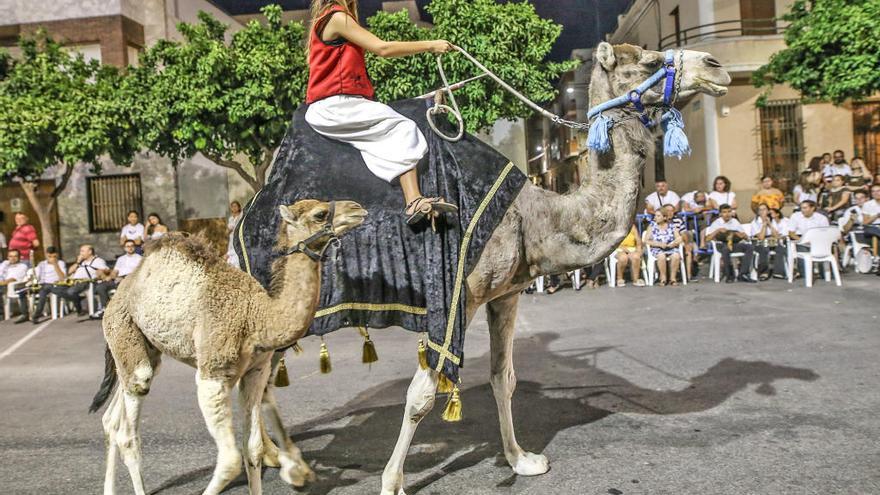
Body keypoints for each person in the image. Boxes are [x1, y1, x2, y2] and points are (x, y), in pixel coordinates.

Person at [304, 0, 457, 225]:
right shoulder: (337, 17)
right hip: (336, 105)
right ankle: (413, 200)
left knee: (388, 129)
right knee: (403, 128)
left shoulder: (332, 18)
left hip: (337, 104)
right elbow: (382, 48)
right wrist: (431, 45)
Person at [91, 240, 142, 319]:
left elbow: (139, 272)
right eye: (128, 246)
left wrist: (126, 278)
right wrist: (110, 277)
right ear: (124, 248)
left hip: (131, 280)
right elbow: (115, 271)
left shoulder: (139, 258)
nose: (130, 248)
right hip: (118, 279)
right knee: (100, 287)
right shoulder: (121, 259)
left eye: (132, 246)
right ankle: (106, 308)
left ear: (134, 247)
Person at [706, 204, 755, 283]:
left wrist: (742, 235)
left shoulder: (735, 222)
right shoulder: (716, 223)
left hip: (734, 243)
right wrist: (717, 231)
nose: (727, 214)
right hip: (721, 244)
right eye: (724, 212)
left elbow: (746, 237)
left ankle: (743, 274)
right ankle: (729, 275)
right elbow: (708, 239)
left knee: (749, 247)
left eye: (729, 212)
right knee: (726, 249)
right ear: (720, 214)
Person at [20, 246, 67, 324]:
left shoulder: (60, 263)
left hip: (54, 284)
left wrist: (55, 265)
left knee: (43, 293)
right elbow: (37, 275)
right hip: (43, 284)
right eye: (49, 256)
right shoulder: (42, 264)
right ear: (47, 255)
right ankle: (32, 315)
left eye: (54, 256)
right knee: (37, 293)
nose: (51, 258)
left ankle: (36, 315)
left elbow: (62, 277)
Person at [60, 244, 110, 316]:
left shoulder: (98, 260)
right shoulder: (81, 262)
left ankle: (79, 309)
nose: (80, 253)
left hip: (86, 282)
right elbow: (69, 272)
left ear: (90, 252)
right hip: (73, 282)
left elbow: (106, 270)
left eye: (82, 251)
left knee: (71, 292)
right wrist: (77, 262)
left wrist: (102, 272)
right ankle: (80, 301)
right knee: (58, 290)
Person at [788, 200, 830, 278]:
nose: (802, 210)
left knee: (825, 250)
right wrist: (804, 241)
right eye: (801, 208)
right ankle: (806, 273)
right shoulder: (795, 216)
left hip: (818, 240)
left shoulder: (821, 218)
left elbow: (825, 233)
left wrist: (815, 241)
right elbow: (791, 233)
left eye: (805, 208)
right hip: (800, 239)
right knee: (802, 250)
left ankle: (824, 273)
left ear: (812, 208)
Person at [644, 209, 682, 286]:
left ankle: (673, 278)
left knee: (676, 255)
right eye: (655, 216)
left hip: (670, 248)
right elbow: (646, 241)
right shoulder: (652, 226)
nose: (655, 218)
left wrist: (673, 243)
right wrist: (658, 244)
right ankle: (663, 278)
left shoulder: (671, 226)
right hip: (657, 248)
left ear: (664, 217)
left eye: (658, 216)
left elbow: (679, 238)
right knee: (661, 256)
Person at [750, 204, 787, 280]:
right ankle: (763, 272)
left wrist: (770, 224)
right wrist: (764, 225)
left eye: (764, 209)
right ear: (758, 212)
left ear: (768, 211)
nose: (763, 211)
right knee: (764, 249)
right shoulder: (755, 222)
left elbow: (777, 236)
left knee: (780, 248)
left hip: (771, 240)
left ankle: (778, 272)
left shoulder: (773, 220)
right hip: (758, 241)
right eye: (760, 210)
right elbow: (761, 237)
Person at [662, 204, 696, 281]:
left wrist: (685, 242)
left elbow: (683, 233)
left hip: (678, 241)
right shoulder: (659, 221)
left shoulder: (678, 221)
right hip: (664, 242)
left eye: (672, 211)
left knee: (688, 250)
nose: (670, 213)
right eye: (667, 211)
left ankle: (688, 275)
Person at [0, 249, 30, 320]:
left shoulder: (22, 266)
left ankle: (1, 314)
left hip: (14, 286)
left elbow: (13, 279)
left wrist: (2, 282)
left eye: (15, 256)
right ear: (7, 257)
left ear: (19, 257)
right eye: (10, 256)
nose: (12, 258)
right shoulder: (5, 265)